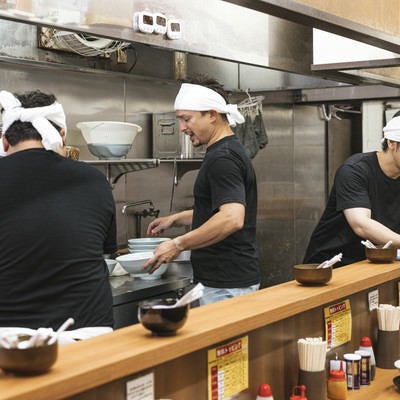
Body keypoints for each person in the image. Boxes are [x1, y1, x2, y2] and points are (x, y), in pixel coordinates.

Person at [0, 89, 117, 331]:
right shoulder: (94, 179)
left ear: (4, 140)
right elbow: (105, 250)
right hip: (88, 332)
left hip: (12, 340)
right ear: (62, 135)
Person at [144, 76, 260, 305]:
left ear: (212, 115)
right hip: (229, 281)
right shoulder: (227, 149)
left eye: (187, 119)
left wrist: (177, 244)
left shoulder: (222, 158)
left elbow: (232, 218)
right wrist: (177, 218)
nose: (182, 128)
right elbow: (218, 210)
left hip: (226, 285)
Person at [303, 115, 400, 267]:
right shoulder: (355, 170)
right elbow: (361, 224)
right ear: (392, 143)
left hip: (375, 262)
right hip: (334, 264)